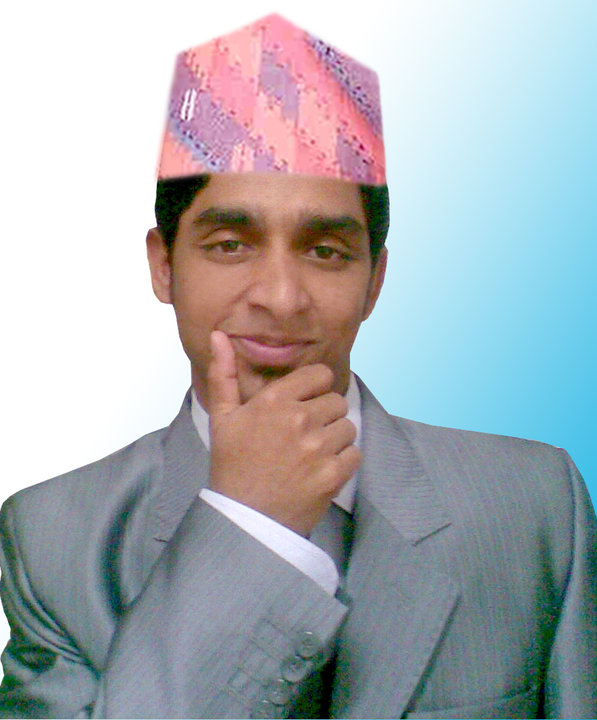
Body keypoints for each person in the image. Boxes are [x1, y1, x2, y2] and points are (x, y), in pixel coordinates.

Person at [0, 13, 595, 720]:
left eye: (325, 251)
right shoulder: (55, 539)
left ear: (374, 281)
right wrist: (249, 525)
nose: (281, 298)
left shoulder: (533, 505)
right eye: (230, 244)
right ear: (163, 266)